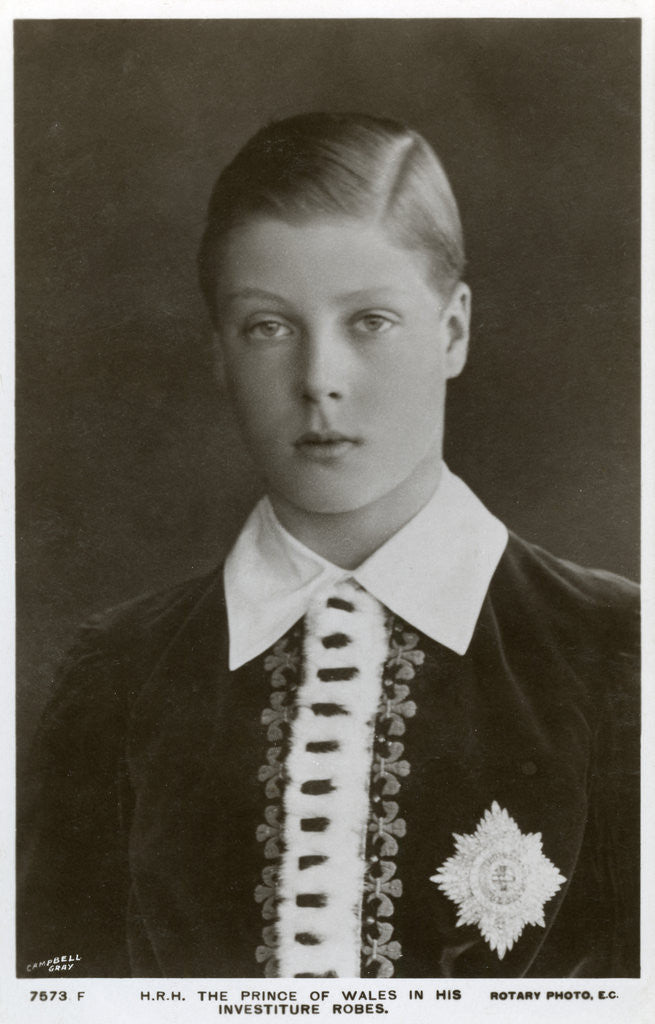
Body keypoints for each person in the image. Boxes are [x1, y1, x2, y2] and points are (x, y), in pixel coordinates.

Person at [17, 112, 639, 980]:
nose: (318, 381)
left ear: (453, 330)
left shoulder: (615, 651)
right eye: (268, 327)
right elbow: (55, 983)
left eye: (370, 321)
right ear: (218, 353)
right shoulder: (116, 674)